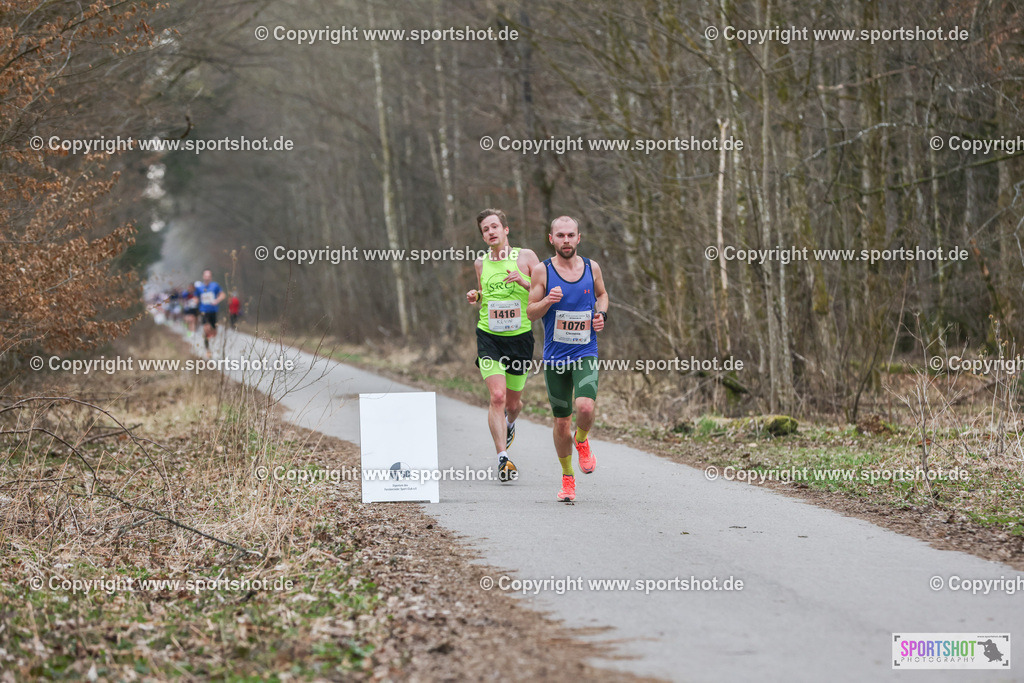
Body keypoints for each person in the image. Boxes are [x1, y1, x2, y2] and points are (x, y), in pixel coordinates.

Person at [527, 216, 608, 502]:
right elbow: (531, 312)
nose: (565, 240)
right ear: (551, 239)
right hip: (555, 358)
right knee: (562, 422)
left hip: (585, 351)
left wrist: (601, 315)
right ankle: (567, 478)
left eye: (570, 235)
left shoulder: (591, 267)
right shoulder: (542, 271)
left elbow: (602, 295)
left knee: (585, 407)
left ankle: (582, 440)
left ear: (578, 237)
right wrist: (548, 300)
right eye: (560, 235)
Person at [466, 209, 540, 482]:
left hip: (520, 337)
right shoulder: (480, 263)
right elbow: (485, 296)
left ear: (506, 230)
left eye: (495, 226)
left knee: (514, 403)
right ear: (483, 236)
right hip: (489, 336)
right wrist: (477, 296)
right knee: (497, 397)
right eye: (486, 229)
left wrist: (523, 280)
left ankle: (510, 424)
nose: (491, 232)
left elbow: (544, 291)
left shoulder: (527, 257)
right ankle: (503, 459)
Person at [195, 269, 226, 357]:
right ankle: (207, 349)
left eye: (209, 276)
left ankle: (211, 343)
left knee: (213, 332)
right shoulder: (199, 287)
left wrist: (217, 300)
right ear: (203, 276)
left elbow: (223, 295)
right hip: (203, 311)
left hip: (213, 311)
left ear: (211, 277)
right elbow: (196, 297)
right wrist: (195, 301)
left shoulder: (215, 286)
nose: (207, 277)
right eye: (206, 275)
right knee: (206, 329)